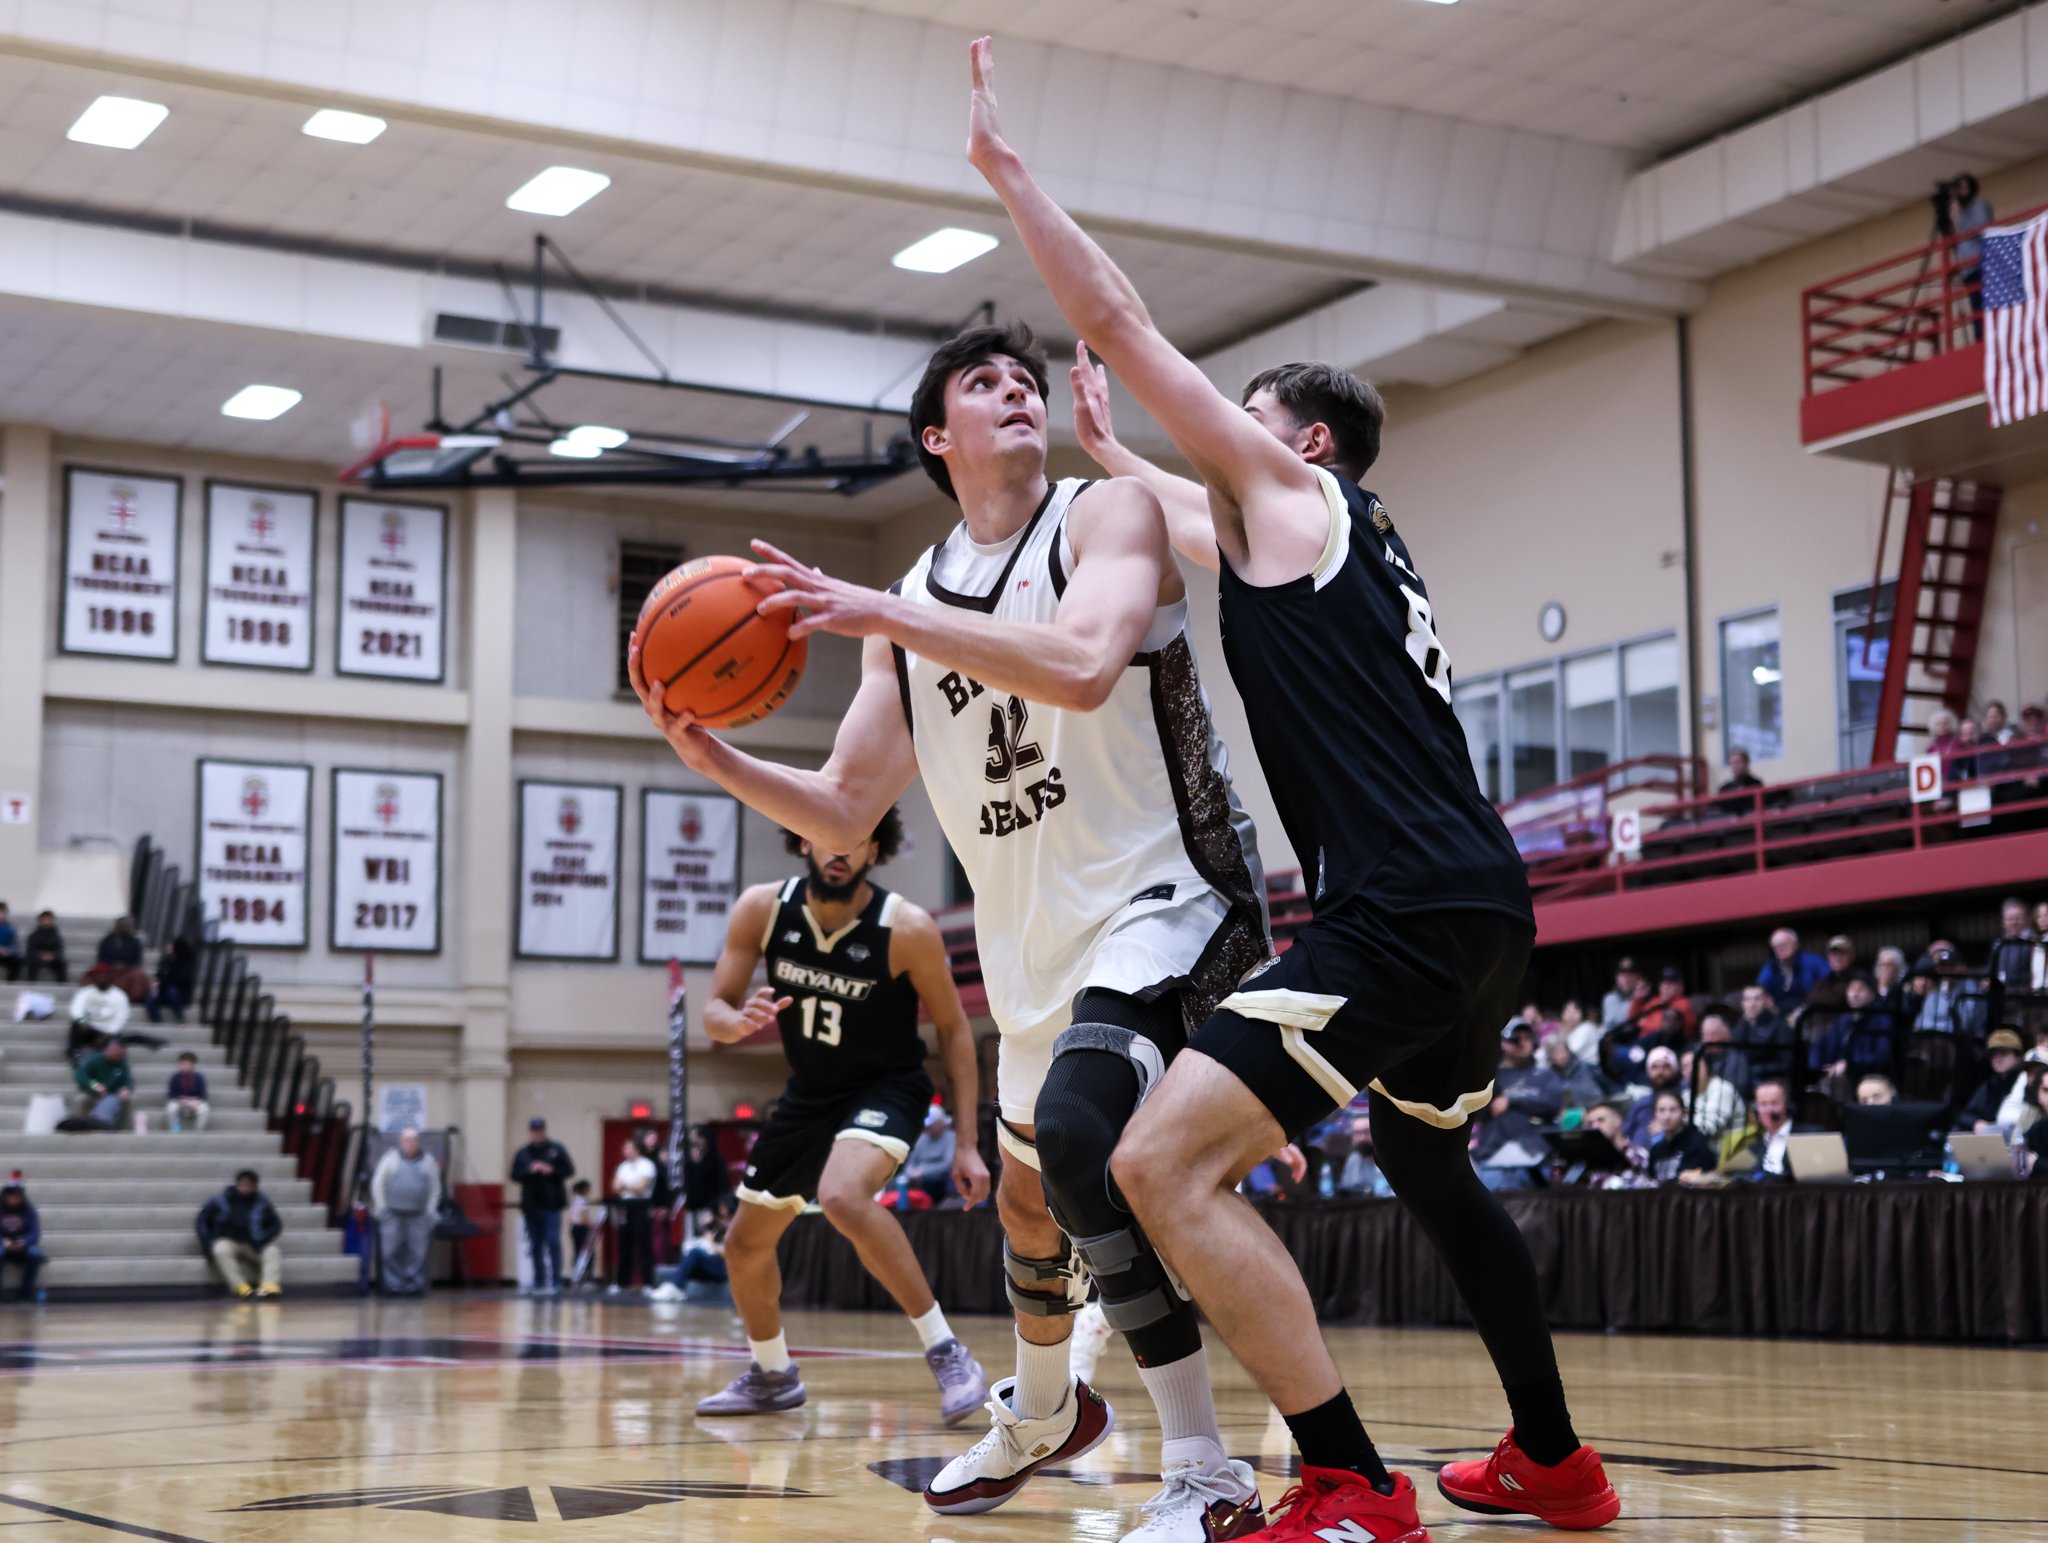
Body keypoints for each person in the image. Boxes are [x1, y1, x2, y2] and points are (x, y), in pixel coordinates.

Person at [959, 39, 1617, 1538]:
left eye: (1246, 415)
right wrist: (1115, 453)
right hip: (1480, 903)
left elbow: (1118, 319)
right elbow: (1192, 520)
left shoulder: (1297, 494)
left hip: (1394, 912)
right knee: (1427, 1161)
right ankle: (1554, 1460)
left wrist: (1011, 175)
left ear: (1300, 439)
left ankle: (1347, 1480)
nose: (1226, 437)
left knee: (1156, 1161)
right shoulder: (1332, 542)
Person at [634, 317, 1270, 1528]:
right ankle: (1041, 1408)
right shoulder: (911, 605)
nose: (1015, 391)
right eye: (982, 383)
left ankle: (1203, 1468)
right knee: (1028, 1207)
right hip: (1030, 943)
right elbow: (839, 806)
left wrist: (883, 615)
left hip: (1167, 892)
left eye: (1024, 379)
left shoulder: (1102, 518)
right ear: (939, 438)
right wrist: (702, 745)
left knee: (1085, 1142)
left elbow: (1084, 665)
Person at [691, 812, 995, 1429]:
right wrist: (736, 1022)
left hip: (889, 1086)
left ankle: (948, 1352)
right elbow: (714, 1011)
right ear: (801, 838)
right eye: (827, 837)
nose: (839, 851)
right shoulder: (762, 910)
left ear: (873, 849)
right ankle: (772, 1374)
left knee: (841, 1195)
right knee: (743, 1246)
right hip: (809, 1093)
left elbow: (955, 1030)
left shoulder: (905, 927)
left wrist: (967, 1143)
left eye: (855, 839)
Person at [1472, 1020, 1563, 1190]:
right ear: (1504, 1043)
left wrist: (1511, 1101)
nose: (1523, 1042)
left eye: (1527, 1037)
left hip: (1534, 1157)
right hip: (1494, 1158)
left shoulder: (1545, 1074)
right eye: (1516, 1038)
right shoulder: (1491, 1076)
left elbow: (1552, 1104)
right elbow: (1477, 1111)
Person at [370, 1127, 441, 1296]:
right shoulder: (390, 1159)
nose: (411, 1144)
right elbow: (378, 1183)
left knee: (418, 1253)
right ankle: (393, 1285)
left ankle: (414, 1286)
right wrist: (381, 1207)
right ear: (401, 1142)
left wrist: (430, 1210)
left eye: (414, 1140)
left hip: (419, 1215)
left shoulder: (428, 1161)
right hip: (392, 1214)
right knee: (389, 1252)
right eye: (407, 1140)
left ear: (418, 1142)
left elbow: (435, 1188)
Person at [509, 1118, 574, 1296]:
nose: (537, 1133)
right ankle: (538, 1281)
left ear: (544, 1131)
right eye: (534, 1131)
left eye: (540, 1130)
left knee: (553, 1241)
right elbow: (514, 1175)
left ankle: (556, 1281)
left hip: (552, 1205)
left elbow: (569, 1170)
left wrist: (551, 1170)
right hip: (531, 1205)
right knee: (535, 1244)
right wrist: (530, 1170)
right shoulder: (523, 1153)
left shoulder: (556, 1149)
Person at [197, 1170, 282, 1298]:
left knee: (273, 1251)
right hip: (229, 1240)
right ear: (236, 1184)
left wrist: (263, 1238)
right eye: (242, 1184)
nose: (244, 1188)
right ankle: (239, 1287)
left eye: (248, 1185)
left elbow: (275, 1225)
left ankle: (268, 1286)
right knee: (220, 1249)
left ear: (254, 1187)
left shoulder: (262, 1202)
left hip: (254, 1243)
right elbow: (202, 1221)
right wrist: (207, 1243)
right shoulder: (221, 1200)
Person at [1958, 1028, 2029, 1134]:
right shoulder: (1989, 1085)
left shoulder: (2025, 1082)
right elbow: (1965, 1115)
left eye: (2003, 1052)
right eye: (1993, 1054)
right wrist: (1976, 1123)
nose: (1997, 1058)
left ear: (2017, 1057)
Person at [611, 1137, 656, 1294]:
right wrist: (628, 1187)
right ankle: (621, 1282)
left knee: (643, 1243)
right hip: (626, 1205)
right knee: (624, 1244)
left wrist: (625, 1186)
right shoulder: (622, 1166)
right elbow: (615, 1187)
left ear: (637, 1149)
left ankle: (648, 1283)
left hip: (641, 1206)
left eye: (628, 1147)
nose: (625, 1151)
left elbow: (642, 1188)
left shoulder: (647, 1165)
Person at [1732, 983, 1797, 1086]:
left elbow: (1787, 1063)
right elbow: (1734, 1050)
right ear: (1742, 1003)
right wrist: (1745, 1021)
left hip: (1772, 1081)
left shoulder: (1780, 1026)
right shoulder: (1742, 1024)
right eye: (1748, 1000)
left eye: (1757, 999)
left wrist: (1754, 1070)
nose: (1752, 1004)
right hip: (1745, 1079)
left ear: (1767, 1001)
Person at [1643, 1091, 1716, 1183]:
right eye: (1662, 1110)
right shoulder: (1656, 1149)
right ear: (1655, 1114)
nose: (1667, 1116)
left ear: (1683, 1113)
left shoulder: (1696, 1142)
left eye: (1673, 1110)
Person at [1757, 928, 1829, 1015]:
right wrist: (1765, 998)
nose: (1780, 948)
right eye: (1776, 946)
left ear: (1795, 944)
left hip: (1809, 1012)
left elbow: (1829, 980)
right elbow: (1759, 986)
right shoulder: (1771, 966)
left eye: (1784, 944)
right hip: (1779, 1014)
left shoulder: (1812, 961)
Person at [1622, 1048, 1684, 1148]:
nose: (1660, 1072)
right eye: (1654, 1067)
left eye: (1666, 1066)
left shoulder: (1686, 1098)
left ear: (1675, 1070)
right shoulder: (1641, 1103)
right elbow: (1625, 1134)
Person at [66, 971, 131, 1063]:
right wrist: (83, 1021)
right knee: (75, 1025)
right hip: (89, 1028)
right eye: (100, 978)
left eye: (105, 978)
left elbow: (122, 1017)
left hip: (109, 1031)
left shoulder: (120, 996)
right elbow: (76, 1009)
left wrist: (108, 1033)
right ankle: (75, 1053)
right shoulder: (85, 992)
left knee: (116, 1046)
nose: (102, 980)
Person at [902, 1104, 960, 1206]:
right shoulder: (920, 1139)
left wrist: (923, 1171)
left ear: (941, 1123)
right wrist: (910, 1173)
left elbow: (948, 1163)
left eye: (933, 1123)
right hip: (917, 1181)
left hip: (941, 1180)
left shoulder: (951, 1137)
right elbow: (910, 1164)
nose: (929, 1126)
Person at [0, 1176, 43, 1302]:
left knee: (35, 1254)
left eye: (17, 1196)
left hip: (23, 1244)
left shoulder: (29, 1209)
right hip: (4, 1244)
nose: (14, 1199)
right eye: (11, 1196)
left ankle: (25, 1293)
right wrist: (3, 1241)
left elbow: (35, 1232)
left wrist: (25, 1241)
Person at [73, 1039, 133, 1128]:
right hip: (93, 1093)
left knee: (128, 1100)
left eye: (120, 1055)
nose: (118, 1057)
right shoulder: (95, 1059)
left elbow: (128, 1079)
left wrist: (125, 1088)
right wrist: (94, 1085)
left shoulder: (122, 1062)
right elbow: (81, 1075)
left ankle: (123, 1129)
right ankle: (81, 1127)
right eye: (116, 1054)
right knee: (81, 1100)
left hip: (113, 1094)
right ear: (108, 1050)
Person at [1541, 1030, 1605, 1109]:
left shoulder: (1584, 1066)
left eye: (1563, 1050)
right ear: (1550, 1057)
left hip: (1597, 1107)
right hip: (1572, 1115)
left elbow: (1604, 1084)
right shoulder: (1549, 1077)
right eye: (1556, 1053)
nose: (1562, 1055)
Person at [148, 936, 196, 1026]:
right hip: (165, 990)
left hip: (180, 994)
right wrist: (156, 983)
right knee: (151, 998)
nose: (168, 947)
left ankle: (179, 1017)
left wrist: (165, 981)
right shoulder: (165, 961)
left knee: (172, 991)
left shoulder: (186, 963)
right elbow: (160, 976)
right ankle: (157, 1021)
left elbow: (182, 981)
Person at [166, 1052, 210, 1133]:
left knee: (204, 1110)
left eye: (186, 1064)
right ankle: (175, 1131)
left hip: (195, 1101)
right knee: (171, 1109)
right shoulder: (175, 1077)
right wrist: (181, 1100)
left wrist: (195, 1101)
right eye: (181, 1064)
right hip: (179, 1100)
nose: (183, 1066)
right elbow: (171, 1094)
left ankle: (198, 1132)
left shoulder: (199, 1077)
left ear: (192, 1065)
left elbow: (203, 1094)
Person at [1600, 959, 1646, 1030]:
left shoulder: (1646, 997)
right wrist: (1636, 999)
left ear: (1638, 977)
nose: (1626, 978)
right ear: (1617, 977)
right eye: (1623, 974)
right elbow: (1619, 1022)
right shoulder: (1610, 998)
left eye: (1631, 974)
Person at [566, 1180, 597, 1284]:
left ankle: (576, 1274)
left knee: (577, 1251)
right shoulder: (583, 1201)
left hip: (574, 1228)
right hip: (582, 1229)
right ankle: (587, 1275)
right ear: (584, 1190)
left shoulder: (574, 1201)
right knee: (587, 1253)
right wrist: (593, 1226)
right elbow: (584, 1218)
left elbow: (570, 1218)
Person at [23, 911, 64, 984]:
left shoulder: (56, 936)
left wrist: (52, 955)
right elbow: (31, 950)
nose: (46, 922)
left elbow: (59, 949)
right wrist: (40, 955)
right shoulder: (34, 935)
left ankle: (62, 983)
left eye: (48, 919)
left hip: (53, 958)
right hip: (37, 958)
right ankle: (30, 983)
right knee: (32, 963)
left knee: (61, 964)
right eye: (44, 920)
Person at [0, 903, 20, 983]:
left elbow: (15, 946)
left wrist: (7, 950)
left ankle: (10, 983)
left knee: (17, 961)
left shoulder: (11, 928)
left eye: (2, 912)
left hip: (5, 955)